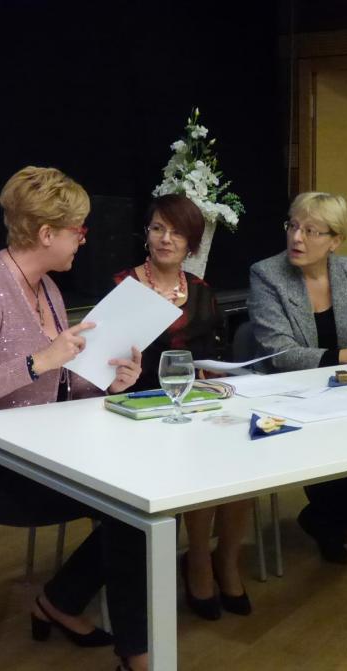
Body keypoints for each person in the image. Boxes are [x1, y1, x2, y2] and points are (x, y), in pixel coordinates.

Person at [0, 166, 149, 671]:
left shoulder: (46, 289)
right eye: (78, 231)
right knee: (125, 510)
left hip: (34, 454)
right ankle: (135, 655)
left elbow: (56, 385)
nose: (82, 241)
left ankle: (61, 602)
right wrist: (36, 361)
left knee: (132, 503)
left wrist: (107, 384)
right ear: (46, 234)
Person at [113, 193, 253, 621]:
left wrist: (216, 378)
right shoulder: (124, 286)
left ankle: (226, 558)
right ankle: (198, 560)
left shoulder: (202, 291)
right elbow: (106, 362)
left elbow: (212, 355)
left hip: (193, 402)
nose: (165, 239)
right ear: (146, 234)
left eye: (176, 232)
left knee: (244, 452)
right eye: (158, 228)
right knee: (201, 455)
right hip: (137, 407)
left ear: (191, 243)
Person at [248, 191, 347, 565]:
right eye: (293, 226)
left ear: (335, 240)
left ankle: (326, 517)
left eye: (311, 231)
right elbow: (279, 351)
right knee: (335, 440)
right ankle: (330, 519)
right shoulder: (267, 274)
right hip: (289, 394)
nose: (297, 238)